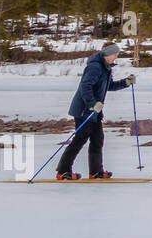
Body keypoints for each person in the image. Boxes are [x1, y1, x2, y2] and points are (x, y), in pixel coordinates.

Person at [56, 42, 136, 180]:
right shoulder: (95, 67)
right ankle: (63, 171)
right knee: (80, 140)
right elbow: (85, 87)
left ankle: (96, 172)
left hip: (95, 110)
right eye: (115, 54)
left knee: (97, 139)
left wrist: (126, 82)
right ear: (108, 53)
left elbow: (109, 86)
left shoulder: (106, 68)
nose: (116, 56)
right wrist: (92, 104)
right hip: (84, 110)